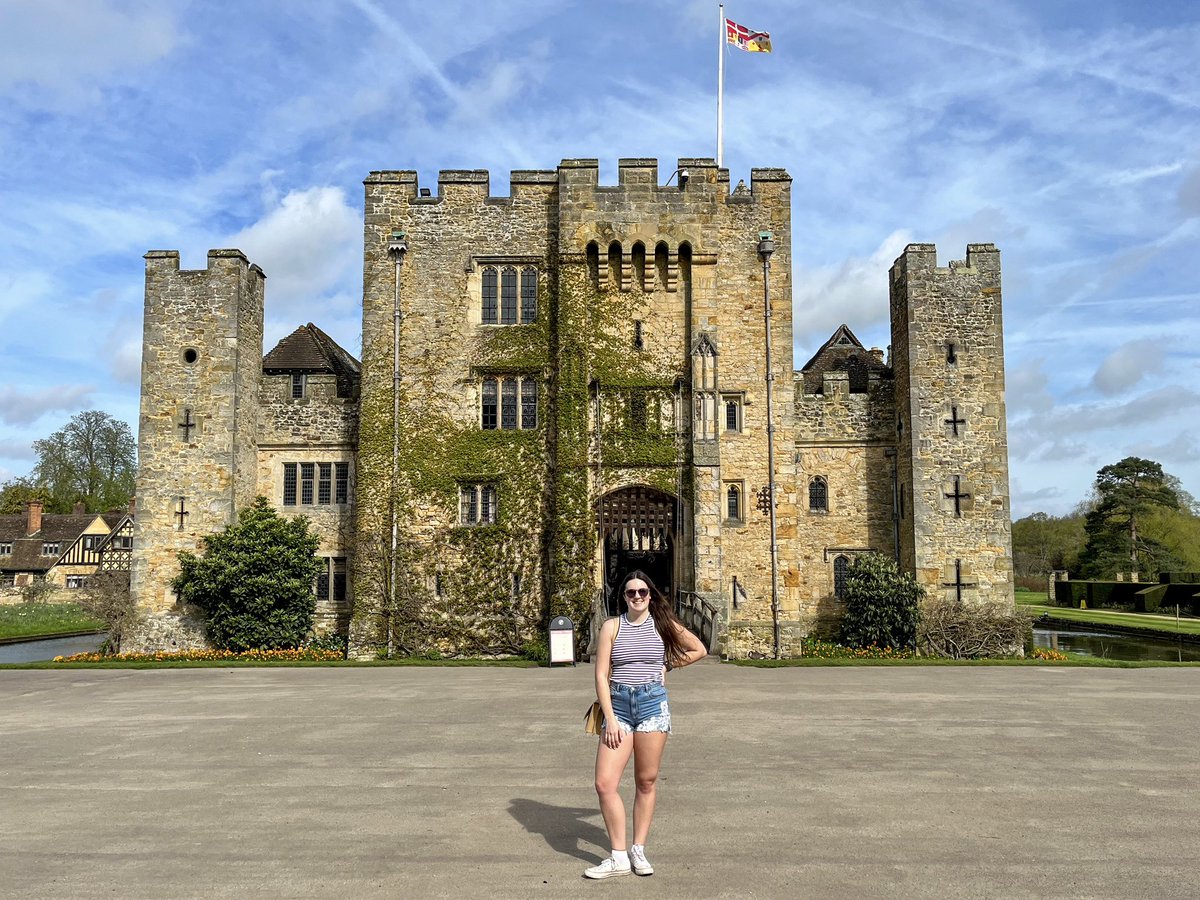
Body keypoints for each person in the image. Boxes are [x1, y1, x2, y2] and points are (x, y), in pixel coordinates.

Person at [584, 570, 708, 879]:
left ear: (650, 595)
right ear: (623, 597)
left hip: (653, 704)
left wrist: (666, 664)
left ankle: (637, 849)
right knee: (605, 783)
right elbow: (601, 674)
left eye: (642, 592)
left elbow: (699, 649)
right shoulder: (612, 627)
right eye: (631, 593)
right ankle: (618, 856)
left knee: (646, 781)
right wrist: (610, 718)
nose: (637, 596)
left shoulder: (662, 624)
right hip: (620, 707)